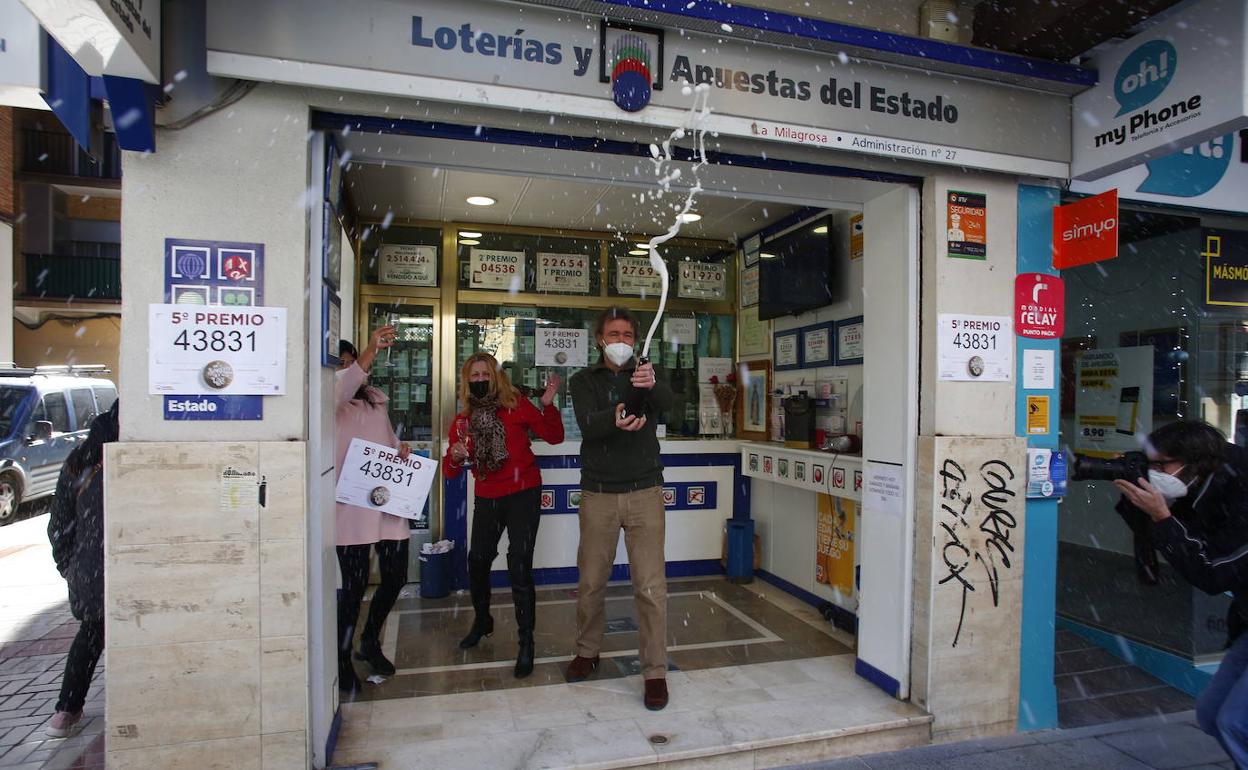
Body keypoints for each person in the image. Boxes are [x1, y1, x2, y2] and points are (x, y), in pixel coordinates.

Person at [1112, 420, 1248, 766]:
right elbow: (1170, 539)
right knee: (1211, 713)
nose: (1155, 472)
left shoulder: (1241, 493)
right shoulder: (1201, 484)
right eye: (1151, 464)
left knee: (1234, 722)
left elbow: (1213, 573)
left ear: (1195, 464)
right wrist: (1139, 495)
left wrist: (1162, 516)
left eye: (1162, 465)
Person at [565, 306, 674, 710]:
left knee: (650, 587)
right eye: (614, 333)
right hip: (598, 494)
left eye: (628, 334)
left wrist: (651, 382)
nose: (622, 341)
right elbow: (589, 425)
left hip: (646, 492)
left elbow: (669, 404)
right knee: (591, 582)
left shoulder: (646, 372)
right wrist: (617, 414)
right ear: (599, 339)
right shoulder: (582, 380)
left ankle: (655, 672)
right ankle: (587, 651)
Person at [444, 353, 563, 678]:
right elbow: (451, 471)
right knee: (478, 561)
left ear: (495, 377)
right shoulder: (463, 420)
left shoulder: (517, 405)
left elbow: (554, 436)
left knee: (519, 563)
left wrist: (548, 405)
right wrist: (454, 456)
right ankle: (483, 620)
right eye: (474, 375)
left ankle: (526, 643)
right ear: (467, 381)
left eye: (485, 373)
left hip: (523, 492)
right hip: (487, 495)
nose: (480, 379)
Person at [336, 327, 412, 694]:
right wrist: (370, 351)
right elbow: (342, 385)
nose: (348, 370)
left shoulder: (374, 400)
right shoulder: (327, 399)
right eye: (341, 365)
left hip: (386, 501)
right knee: (353, 586)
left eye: (350, 362)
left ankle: (370, 639)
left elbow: (384, 438)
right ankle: (341, 656)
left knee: (395, 575)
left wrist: (400, 448)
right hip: (350, 507)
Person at [46, 399, 118, 737]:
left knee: (91, 635)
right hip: (117, 568)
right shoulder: (126, 463)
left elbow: (59, 525)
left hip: (90, 571)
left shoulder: (79, 463)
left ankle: (66, 711)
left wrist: (71, 566)